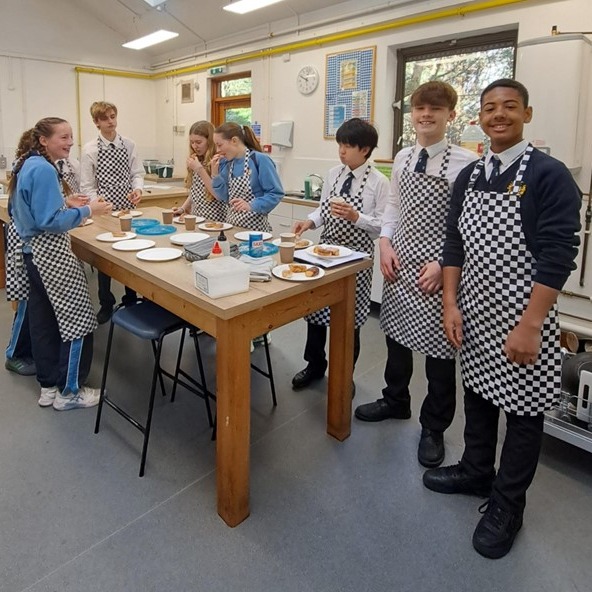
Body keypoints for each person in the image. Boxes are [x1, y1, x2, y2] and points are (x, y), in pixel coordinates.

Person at [422, 79, 581, 559]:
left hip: (523, 316)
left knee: (524, 412)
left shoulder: (549, 174)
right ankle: (476, 471)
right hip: (474, 310)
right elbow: (454, 245)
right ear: (479, 118)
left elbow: (558, 254)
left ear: (527, 114)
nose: (499, 115)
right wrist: (450, 304)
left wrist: (531, 325)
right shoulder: (470, 176)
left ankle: (508, 505)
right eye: (490, 107)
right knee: (478, 394)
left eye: (510, 106)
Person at [354, 82, 477, 468]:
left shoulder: (466, 162)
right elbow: (394, 205)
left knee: (440, 353)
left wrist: (442, 264)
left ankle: (434, 427)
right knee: (395, 339)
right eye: (419, 108)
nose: (425, 115)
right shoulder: (404, 157)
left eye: (435, 109)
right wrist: (385, 243)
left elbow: (468, 224)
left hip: (440, 268)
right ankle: (396, 400)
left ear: (450, 116)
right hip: (401, 261)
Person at [8, 117, 112, 409]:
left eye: (71, 136)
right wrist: (89, 210)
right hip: (50, 255)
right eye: (63, 137)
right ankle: (70, 391)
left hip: (31, 254)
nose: (70, 142)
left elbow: (32, 209)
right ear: (44, 140)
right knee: (78, 321)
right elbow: (50, 222)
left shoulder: (27, 164)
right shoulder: (44, 169)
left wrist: (66, 203)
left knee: (44, 323)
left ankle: (48, 387)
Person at [291, 118, 389, 390]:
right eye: (340, 145)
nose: (341, 152)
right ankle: (314, 365)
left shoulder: (379, 182)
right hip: (325, 251)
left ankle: (345, 374)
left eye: (347, 146)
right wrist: (309, 222)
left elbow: (383, 225)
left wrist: (356, 217)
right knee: (316, 311)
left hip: (357, 258)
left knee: (350, 318)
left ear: (365, 149)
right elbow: (323, 210)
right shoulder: (334, 174)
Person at [80, 101, 143, 324]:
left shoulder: (129, 144)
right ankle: (106, 302)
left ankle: (131, 297)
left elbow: (137, 173)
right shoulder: (90, 150)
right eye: (105, 118)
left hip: (127, 209)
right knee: (104, 258)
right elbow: (87, 185)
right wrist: (96, 203)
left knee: (130, 253)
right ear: (96, 122)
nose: (111, 121)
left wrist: (137, 189)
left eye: (113, 116)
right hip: (103, 211)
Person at [210, 122, 283, 232]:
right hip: (232, 228)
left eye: (219, 145)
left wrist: (251, 205)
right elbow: (224, 198)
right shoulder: (228, 164)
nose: (217, 150)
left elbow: (276, 194)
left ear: (234, 141)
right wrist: (215, 175)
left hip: (255, 230)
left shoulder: (259, 160)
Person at [174, 120, 226, 222]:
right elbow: (196, 190)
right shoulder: (197, 159)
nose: (194, 146)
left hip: (215, 219)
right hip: (197, 217)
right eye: (192, 142)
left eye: (198, 142)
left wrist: (200, 170)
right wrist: (183, 208)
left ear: (210, 141)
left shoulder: (219, 160)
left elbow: (217, 194)